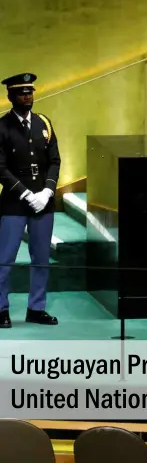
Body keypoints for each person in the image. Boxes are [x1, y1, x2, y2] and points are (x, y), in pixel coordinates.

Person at [0, 73, 61, 328]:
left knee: (41, 258)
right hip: (14, 203)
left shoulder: (43, 123)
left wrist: (47, 192)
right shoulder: (2, 127)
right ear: (10, 96)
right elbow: (0, 168)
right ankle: (1, 308)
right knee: (5, 257)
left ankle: (36, 308)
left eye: (30, 92)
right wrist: (25, 193)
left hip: (43, 202)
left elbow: (54, 160)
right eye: (22, 93)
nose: (27, 97)